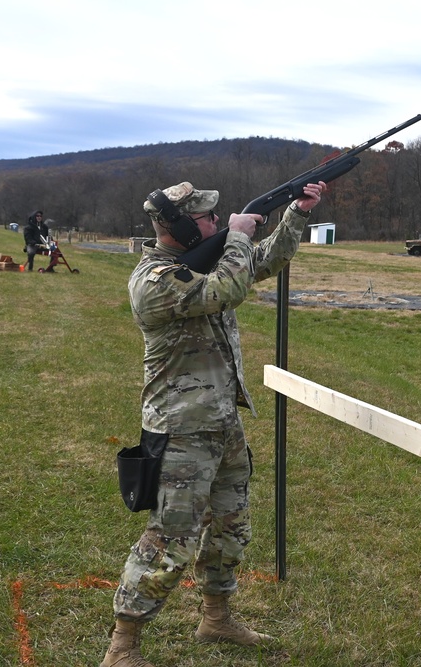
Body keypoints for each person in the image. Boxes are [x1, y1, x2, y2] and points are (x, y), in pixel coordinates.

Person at [101, 179, 326, 667]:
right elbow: (228, 287)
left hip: (223, 423)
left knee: (230, 526)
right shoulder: (152, 281)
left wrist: (296, 216)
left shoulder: (202, 259)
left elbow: (260, 264)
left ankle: (216, 618)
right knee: (170, 540)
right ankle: (123, 647)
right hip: (181, 430)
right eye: (206, 219)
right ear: (179, 227)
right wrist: (240, 237)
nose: (216, 225)